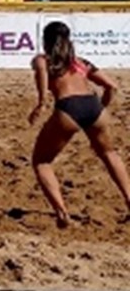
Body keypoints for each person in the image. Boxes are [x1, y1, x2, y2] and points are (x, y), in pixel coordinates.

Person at [29, 21, 130, 228]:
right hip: (93, 106)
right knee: (109, 154)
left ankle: (62, 213)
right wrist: (101, 107)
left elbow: (42, 82)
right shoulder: (80, 62)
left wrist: (40, 104)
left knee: (41, 161)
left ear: (45, 40)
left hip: (68, 108)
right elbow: (111, 86)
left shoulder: (42, 60)